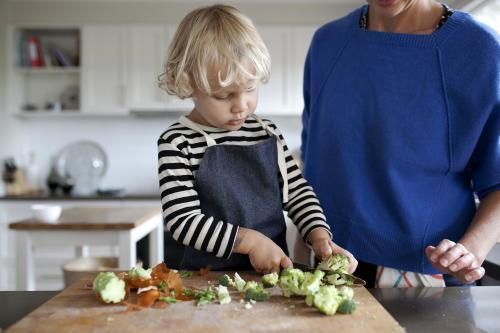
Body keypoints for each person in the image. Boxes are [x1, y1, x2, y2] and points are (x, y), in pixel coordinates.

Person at [301, 0, 499, 287]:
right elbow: (313, 163)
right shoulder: (327, 43)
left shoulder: (478, 50)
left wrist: (469, 252)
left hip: (424, 276)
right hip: (326, 266)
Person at [156, 4, 357, 274]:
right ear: (189, 83)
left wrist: (319, 236)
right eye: (223, 95)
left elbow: (297, 193)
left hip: (273, 277)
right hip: (206, 280)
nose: (241, 105)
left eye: (250, 89)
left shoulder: (267, 133)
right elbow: (183, 221)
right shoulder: (177, 141)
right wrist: (250, 243)